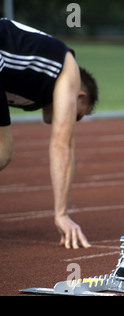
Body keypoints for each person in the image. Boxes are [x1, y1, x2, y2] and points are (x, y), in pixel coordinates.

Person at [0, 19, 98, 249]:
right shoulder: (68, 69)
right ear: (79, 96)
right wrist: (61, 214)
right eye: (77, 115)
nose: (70, 119)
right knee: (3, 150)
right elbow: (62, 146)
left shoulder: (35, 82)